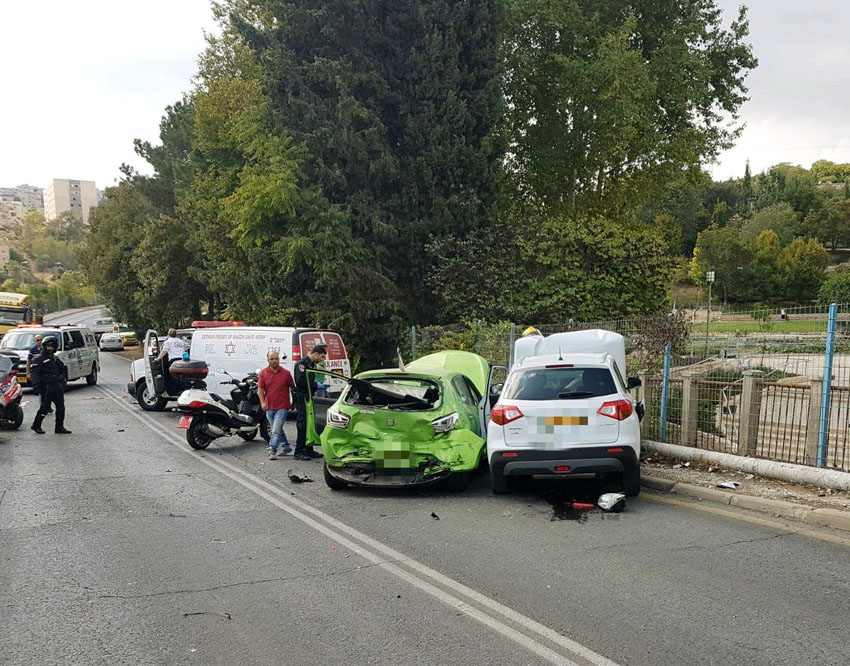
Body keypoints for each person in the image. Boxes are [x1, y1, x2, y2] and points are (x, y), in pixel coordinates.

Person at [258, 350, 295, 461]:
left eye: (276, 359)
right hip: (269, 406)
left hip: (282, 406)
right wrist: (262, 402)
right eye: (272, 359)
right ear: (268, 360)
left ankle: (272, 450)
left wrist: (294, 402)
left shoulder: (286, 373)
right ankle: (286, 447)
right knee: (277, 428)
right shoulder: (263, 373)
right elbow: (260, 390)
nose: (274, 361)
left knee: (275, 430)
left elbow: (293, 388)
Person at [30, 336, 71, 435]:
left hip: (56, 385)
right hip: (46, 386)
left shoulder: (55, 358)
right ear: (44, 347)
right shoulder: (38, 359)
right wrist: (36, 387)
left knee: (61, 407)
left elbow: (62, 370)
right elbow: (35, 374)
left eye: (52, 346)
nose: (50, 348)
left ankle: (59, 427)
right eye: (48, 346)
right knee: (45, 408)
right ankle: (36, 425)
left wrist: (62, 383)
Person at [292, 344, 328, 461]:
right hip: (302, 397)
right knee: (302, 423)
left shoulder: (311, 364)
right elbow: (300, 381)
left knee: (309, 423)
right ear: (316, 354)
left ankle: (309, 449)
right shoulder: (301, 364)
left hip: (309, 395)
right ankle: (299, 451)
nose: (322, 360)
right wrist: (315, 385)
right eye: (322, 357)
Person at [156, 329, 186, 393]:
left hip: (174, 361)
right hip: (182, 361)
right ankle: (182, 390)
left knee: (171, 376)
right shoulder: (181, 341)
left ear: (168, 334)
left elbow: (164, 351)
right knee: (181, 377)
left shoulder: (168, 342)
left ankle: (173, 391)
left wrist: (158, 359)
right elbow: (184, 351)